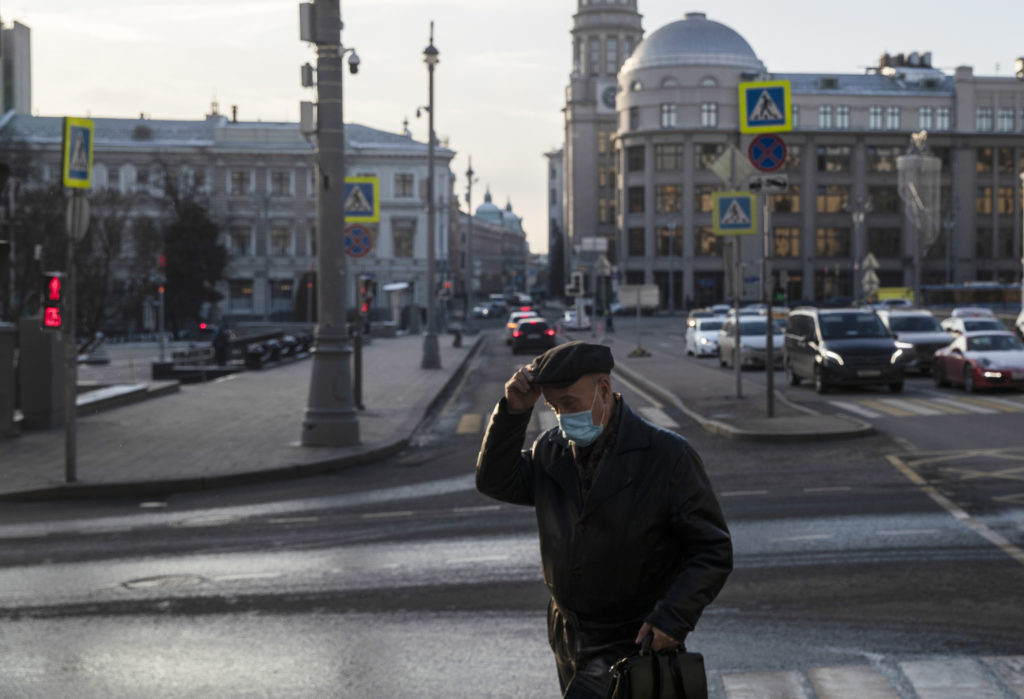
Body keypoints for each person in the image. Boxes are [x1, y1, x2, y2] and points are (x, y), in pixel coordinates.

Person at [475, 341, 732, 698]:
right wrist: (513, 412)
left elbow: (712, 550)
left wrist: (673, 618)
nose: (563, 418)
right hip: (568, 636)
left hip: (632, 639)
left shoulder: (667, 456)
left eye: (570, 404)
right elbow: (494, 480)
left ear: (605, 390)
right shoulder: (551, 450)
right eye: (553, 407)